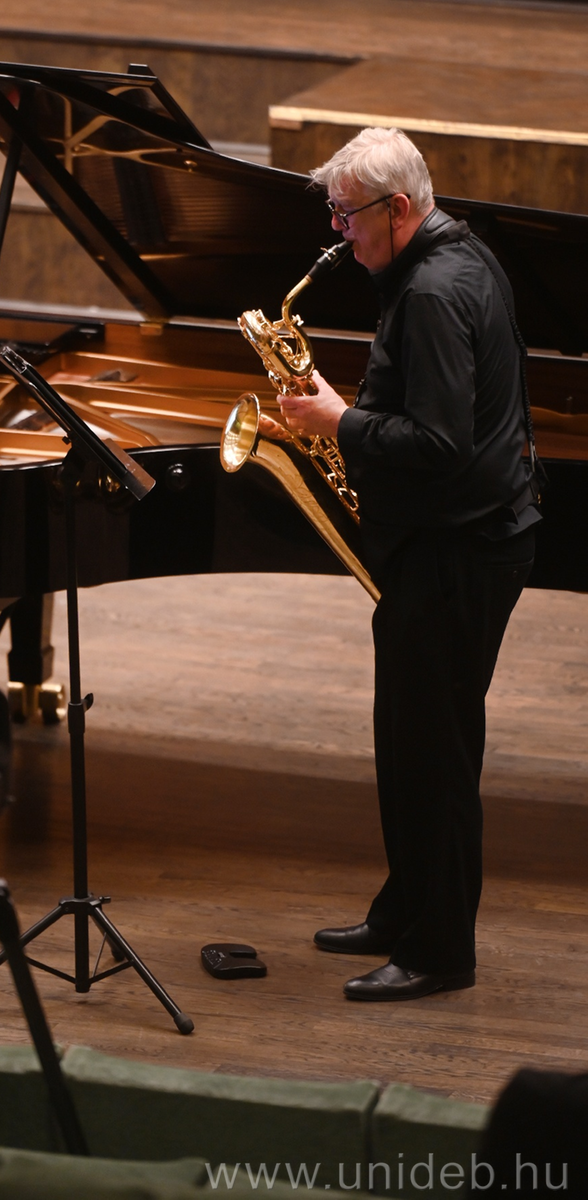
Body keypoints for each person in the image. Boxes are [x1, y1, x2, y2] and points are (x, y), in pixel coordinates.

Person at [278, 127, 540, 1001]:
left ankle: (440, 950)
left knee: (437, 753)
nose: (337, 232)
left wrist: (339, 423)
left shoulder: (432, 291)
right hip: (446, 544)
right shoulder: (458, 252)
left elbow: (437, 443)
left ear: (397, 208)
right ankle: (403, 910)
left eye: (346, 215)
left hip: (458, 550)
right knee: (406, 738)